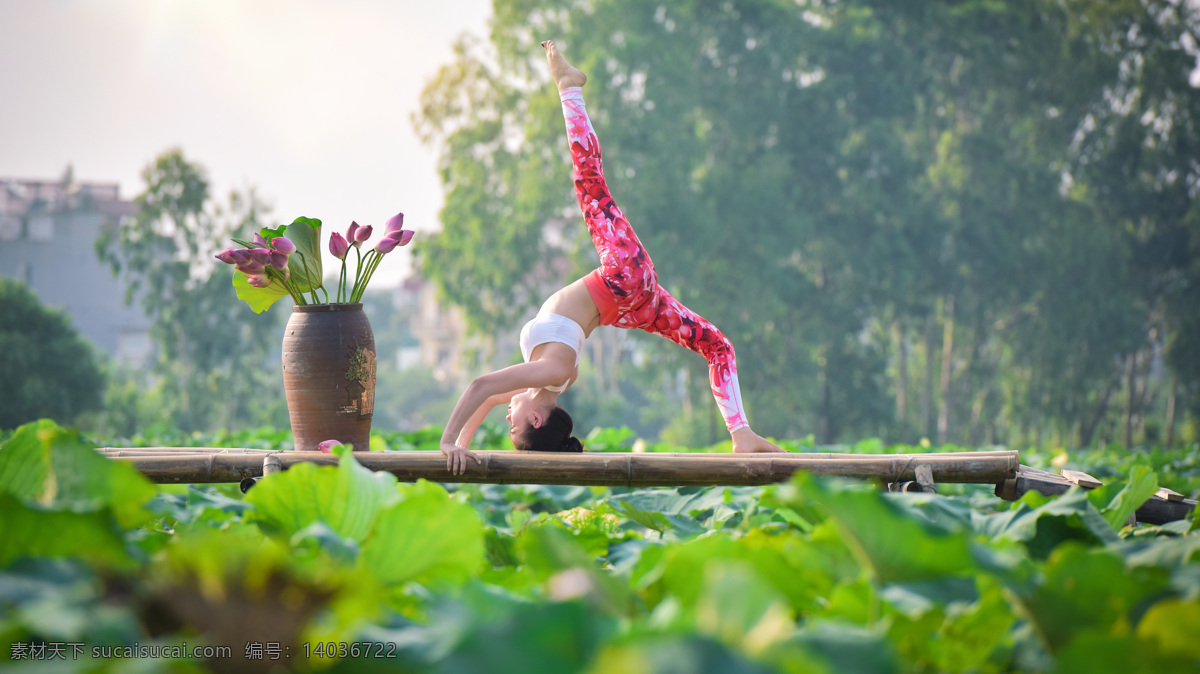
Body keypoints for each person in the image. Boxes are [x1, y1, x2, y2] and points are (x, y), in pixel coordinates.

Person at [439, 40, 785, 474]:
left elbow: (489, 395)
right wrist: (447, 441)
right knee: (589, 184)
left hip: (631, 305)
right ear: (536, 418)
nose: (506, 418)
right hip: (624, 280)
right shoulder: (552, 370)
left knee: (716, 345)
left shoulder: (555, 377)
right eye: (513, 426)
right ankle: (569, 88)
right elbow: (481, 386)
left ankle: (742, 434)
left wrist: (460, 445)